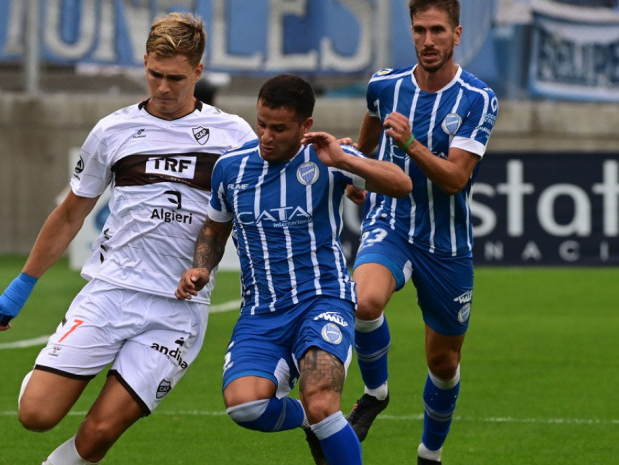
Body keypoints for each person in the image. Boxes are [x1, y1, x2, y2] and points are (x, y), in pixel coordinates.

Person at [0, 12, 254, 465]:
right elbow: (72, 213)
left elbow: (258, 213)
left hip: (177, 312)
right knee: (35, 413)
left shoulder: (235, 136)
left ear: (198, 72)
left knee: (99, 432)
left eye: (176, 78)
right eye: (155, 74)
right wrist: (22, 285)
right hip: (109, 294)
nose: (164, 88)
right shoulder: (113, 130)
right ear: (145, 63)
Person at [175, 74, 411, 465]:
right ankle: (311, 423)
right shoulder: (230, 168)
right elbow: (215, 228)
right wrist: (200, 268)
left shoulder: (327, 158)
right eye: (261, 124)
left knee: (322, 400)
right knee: (244, 407)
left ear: (305, 126)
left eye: (279, 128)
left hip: (323, 300)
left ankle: (322, 420)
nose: (267, 136)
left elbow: (401, 184)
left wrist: (344, 159)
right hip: (261, 313)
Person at [342, 1, 499, 464]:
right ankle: (376, 393)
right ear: (410, 32)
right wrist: (357, 174)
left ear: (457, 34)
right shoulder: (385, 85)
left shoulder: (477, 98)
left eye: (438, 31)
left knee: (443, 363)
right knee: (364, 300)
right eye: (419, 30)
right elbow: (369, 129)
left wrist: (410, 144)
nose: (428, 41)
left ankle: (429, 454)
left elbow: (455, 179)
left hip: (447, 243)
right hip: (390, 221)